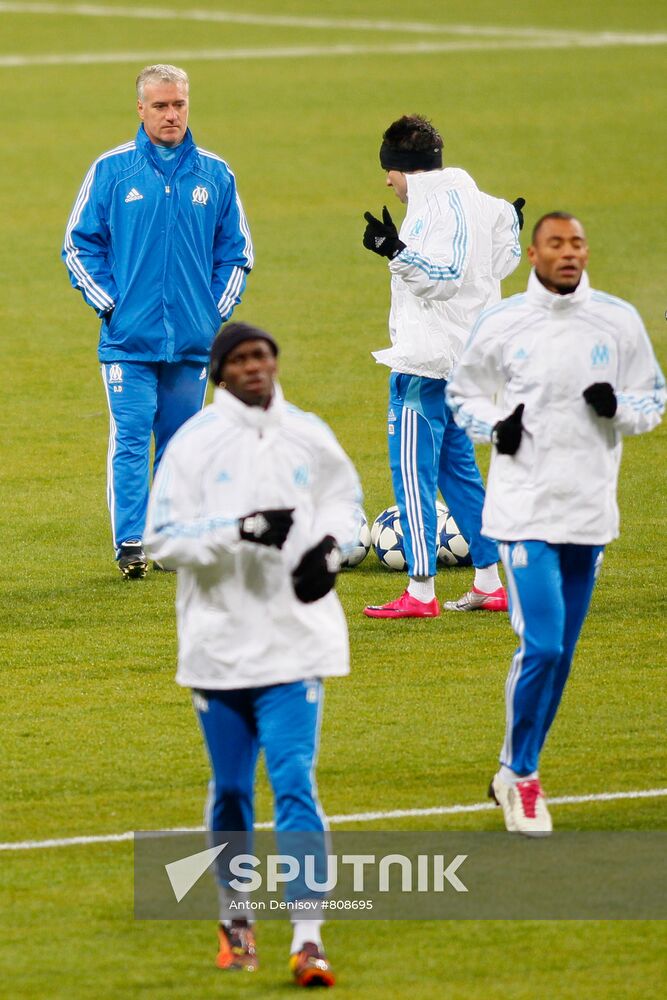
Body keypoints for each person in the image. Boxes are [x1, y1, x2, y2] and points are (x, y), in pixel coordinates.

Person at [144, 321, 361, 986]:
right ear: (218, 374)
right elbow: (161, 541)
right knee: (234, 790)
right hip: (220, 648)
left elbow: (344, 504)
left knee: (295, 783)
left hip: (295, 646)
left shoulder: (307, 431)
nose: (253, 367)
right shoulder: (193, 444)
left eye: (261, 354)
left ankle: (308, 938)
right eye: (238, 359)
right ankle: (236, 917)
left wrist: (329, 552)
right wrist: (237, 533)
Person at [446, 212, 665, 835]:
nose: (569, 254)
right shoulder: (504, 322)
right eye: (556, 244)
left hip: (590, 511)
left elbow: (653, 398)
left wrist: (618, 409)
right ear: (534, 252)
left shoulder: (617, 320)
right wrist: (495, 428)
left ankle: (516, 769)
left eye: (577, 244)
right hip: (522, 510)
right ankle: (520, 773)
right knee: (539, 644)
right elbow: (463, 394)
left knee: (562, 654)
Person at [63, 64, 253, 579]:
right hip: (128, 339)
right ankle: (130, 542)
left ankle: (169, 538)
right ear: (141, 109)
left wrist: (212, 313)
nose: (172, 115)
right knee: (130, 436)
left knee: (180, 443)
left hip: (191, 341)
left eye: (180, 105)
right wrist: (110, 304)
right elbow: (79, 244)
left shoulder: (216, 174)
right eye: (162, 106)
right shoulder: (112, 170)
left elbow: (236, 253)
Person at [361, 113, 523, 619]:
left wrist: (396, 252)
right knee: (459, 474)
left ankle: (421, 590)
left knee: (412, 470)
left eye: (388, 170)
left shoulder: (433, 207)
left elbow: (446, 276)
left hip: (427, 361)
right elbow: (506, 259)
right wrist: (509, 224)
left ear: (404, 168)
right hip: (468, 358)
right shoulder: (484, 202)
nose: (387, 181)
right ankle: (489, 581)